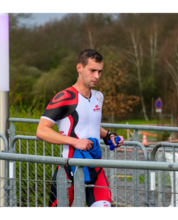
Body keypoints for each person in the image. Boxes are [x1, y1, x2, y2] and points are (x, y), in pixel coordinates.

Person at [36, 49, 125, 207]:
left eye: (100, 71)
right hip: (69, 169)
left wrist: (109, 136)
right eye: (92, 71)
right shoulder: (64, 97)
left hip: (96, 169)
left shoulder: (98, 97)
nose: (97, 76)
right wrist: (75, 142)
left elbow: (91, 125)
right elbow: (41, 131)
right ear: (79, 68)